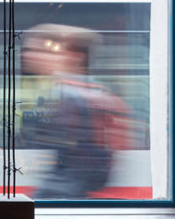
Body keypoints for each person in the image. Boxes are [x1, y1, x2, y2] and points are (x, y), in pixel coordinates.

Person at [21, 23, 128, 199]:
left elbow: (79, 169)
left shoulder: (74, 97)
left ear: (71, 56)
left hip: (66, 197)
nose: (28, 55)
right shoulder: (84, 93)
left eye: (40, 50)